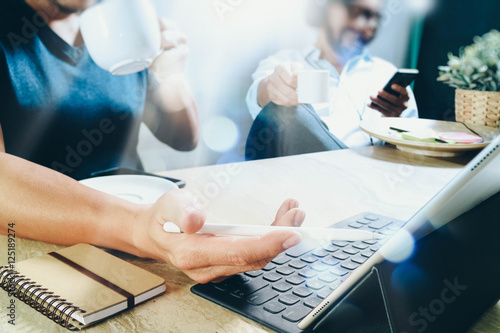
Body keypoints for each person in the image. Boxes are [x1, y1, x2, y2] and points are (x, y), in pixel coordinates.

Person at [0, 0, 305, 284]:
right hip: (41, 251)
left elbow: (184, 137)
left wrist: (170, 75)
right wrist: (138, 227)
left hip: (147, 226)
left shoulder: (118, 17)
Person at [245, 0, 419, 160]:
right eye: (358, 13)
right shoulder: (285, 62)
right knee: (283, 110)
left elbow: (410, 154)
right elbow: (261, 94)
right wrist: (274, 89)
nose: (369, 26)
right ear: (324, 7)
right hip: (299, 177)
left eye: (376, 18)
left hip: (365, 179)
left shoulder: (386, 73)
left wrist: (395, 120)